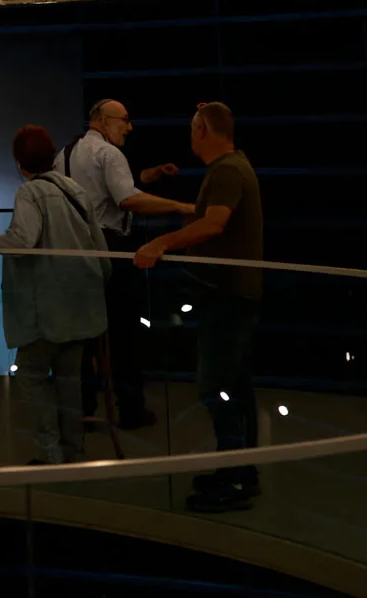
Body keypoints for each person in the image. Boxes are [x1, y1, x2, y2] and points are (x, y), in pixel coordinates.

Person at [0, 126, 108, 463]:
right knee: (69, 381)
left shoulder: (30, 193)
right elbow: (102, 254)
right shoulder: (76, 190)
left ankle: (51, 455)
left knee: (30, 375)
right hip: (79, 305)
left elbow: (22, 241)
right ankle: (73, 453)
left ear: (20, 164)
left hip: (45, 309)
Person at [135, 101, 263, 512]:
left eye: (193, 129)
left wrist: (161, 243)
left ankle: (238, 480)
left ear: (204, 130)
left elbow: (214, 223)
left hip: (228, 295)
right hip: (232, 294)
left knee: (216, 385)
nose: (190, 136)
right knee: (235, 383)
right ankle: (239, 470)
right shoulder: (233, 166)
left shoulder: (226, 170)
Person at [59, 101, 192, 428]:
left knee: (84, 334)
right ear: (103, 120)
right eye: (125, 121)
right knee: (124, 332)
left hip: (76, 251)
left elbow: (113, 187)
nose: (129, 128)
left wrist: (151, 175)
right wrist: (180, 206)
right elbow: (126, 198)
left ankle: (83, 408)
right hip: (112, 250)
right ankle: (130, 408)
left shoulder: (64, 154)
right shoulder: (109, 154)